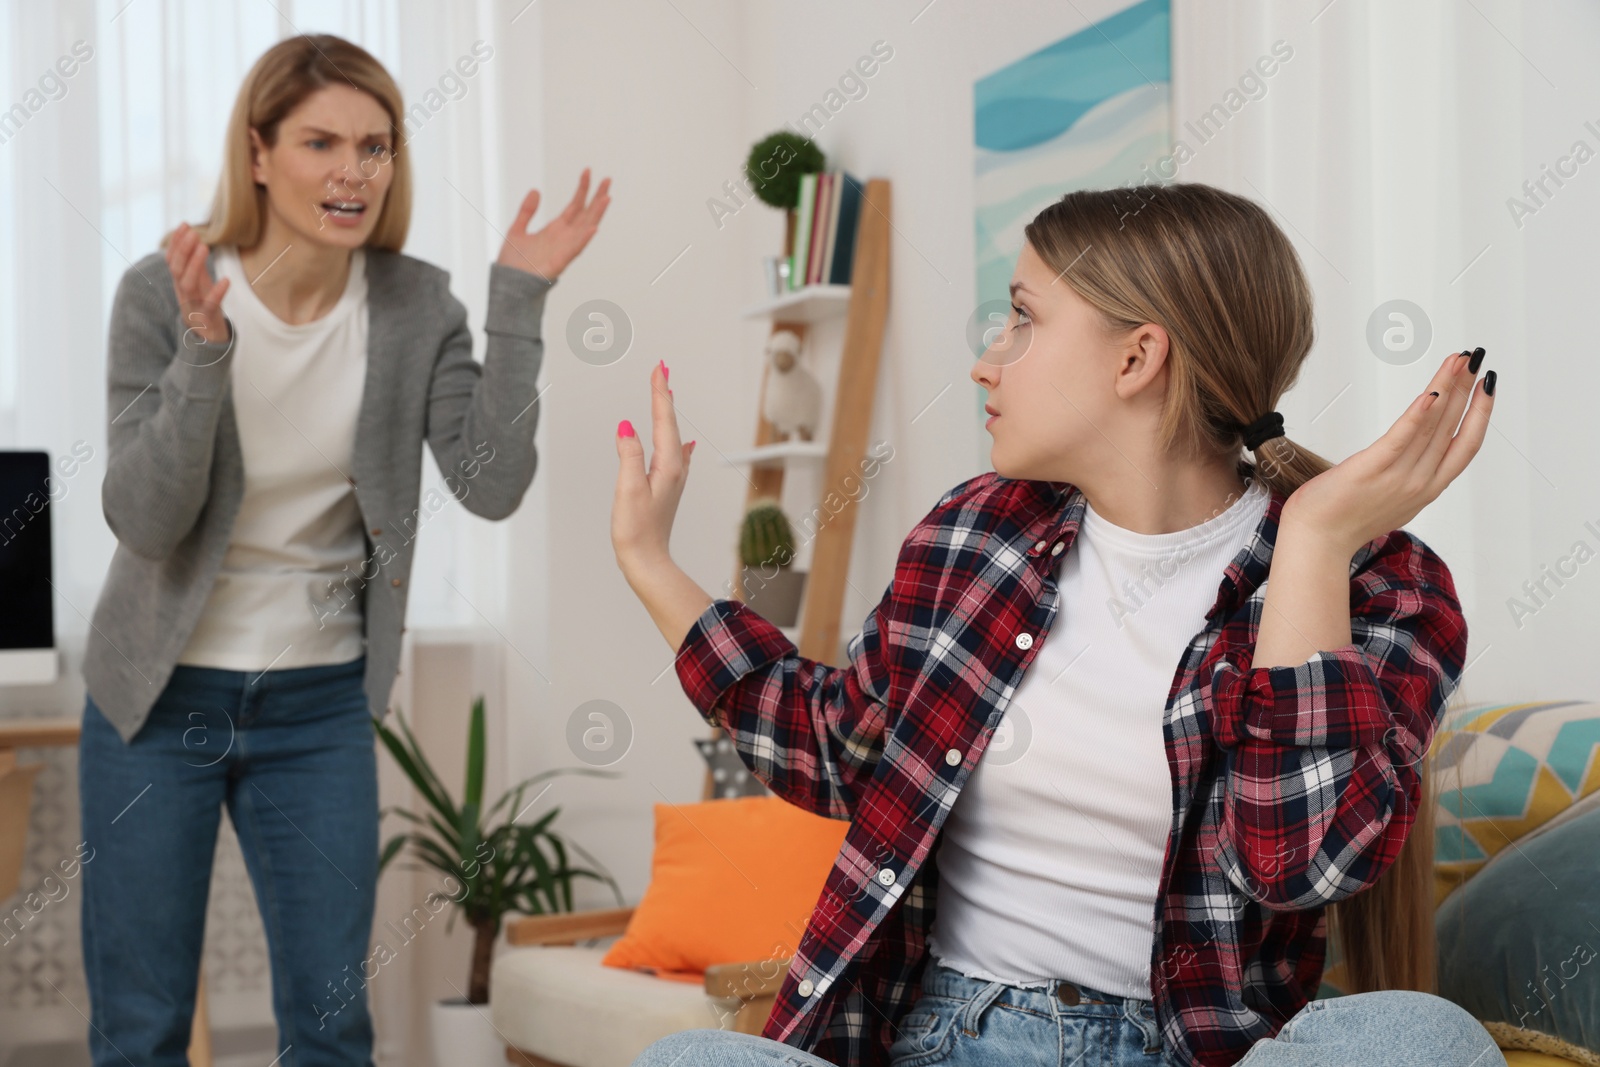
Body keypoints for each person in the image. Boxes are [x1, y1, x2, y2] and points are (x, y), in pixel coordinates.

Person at [610, 183, 1504, 1067]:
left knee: (1422, 1040)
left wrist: (1313, 540)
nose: (987, 360)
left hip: (1188, 1050)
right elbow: (839, 744)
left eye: (1022, 321)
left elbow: (1295, 862)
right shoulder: (975, 534)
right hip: (947, 1041)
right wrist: (653, 562)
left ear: (1136, 358)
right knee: (690, 1058)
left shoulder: (1384, 583)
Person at [77, 34, 609, 1067]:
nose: (351, 170)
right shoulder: (167, 290)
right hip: (153, 698)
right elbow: (142, 518)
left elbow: (489, 483)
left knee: (331, 1028)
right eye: (321, 141)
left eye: (375, 145)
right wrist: (204, 354)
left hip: (315, 705)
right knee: (138, 1030)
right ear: (260, 152)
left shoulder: (416, 308)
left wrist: (519, 300)